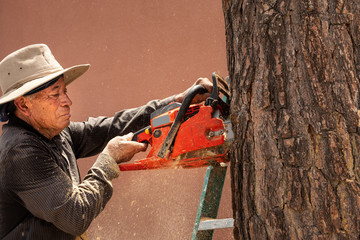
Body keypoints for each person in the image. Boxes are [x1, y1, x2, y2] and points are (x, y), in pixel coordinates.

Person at [0, 44, 212, 239]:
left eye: (65, 91)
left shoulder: (52, 131)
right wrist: (108, 160)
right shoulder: (20, 152)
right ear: (23, 105)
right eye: (55, 95)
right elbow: (75, 216)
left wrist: (177, 102)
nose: (67, 101)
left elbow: (111, 127)